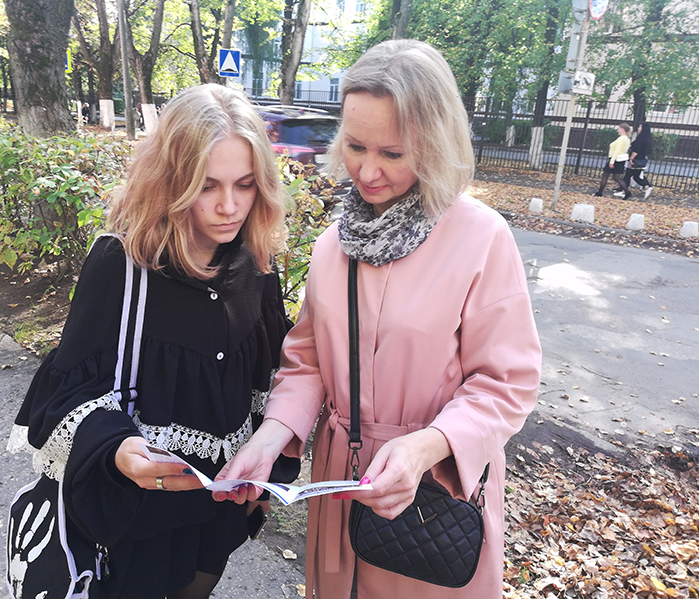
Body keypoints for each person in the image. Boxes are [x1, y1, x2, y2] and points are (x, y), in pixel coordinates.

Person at [214, 39, 542, 598]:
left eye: (392, 153)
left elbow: (507, 383)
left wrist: (427, 446)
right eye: (355, 146)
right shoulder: (333, 245)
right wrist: (270, 438)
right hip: (339, 486)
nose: (367, 172)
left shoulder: (481, 238)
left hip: (433, 495)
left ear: (434, 143)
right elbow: (307, 362)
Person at [7, 84, 293, 599]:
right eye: (206, 186)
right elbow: (66, 393)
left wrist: (272, 472)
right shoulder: (121, 264)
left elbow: (269, 379)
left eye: (246, 184)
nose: (229, 206)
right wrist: (118, 450)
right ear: (170, 182)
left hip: (218, 510)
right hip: (131, 519)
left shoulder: (256, 266)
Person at [616, 122, 654, 200]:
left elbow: (636, 150)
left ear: (643, 129)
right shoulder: (647, 139)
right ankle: (646, 186)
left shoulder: (640, 138)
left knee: (627, 176)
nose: (638, 128)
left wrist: (631, 159)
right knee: (636, 177)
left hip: (636, 160)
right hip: (642, 160)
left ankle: (624, 192)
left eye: (640, 127)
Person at [593, 122, 631, 198]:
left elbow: (617, 150)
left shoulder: (621, 139)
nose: (618, 130)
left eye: (619, 129)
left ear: (623, 129)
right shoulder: (627, 139)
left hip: (615, 159)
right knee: (616, 177)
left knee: (605, 175)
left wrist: (612, 162)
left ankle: (600, 192)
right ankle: (627, 192)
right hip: (620, 160)